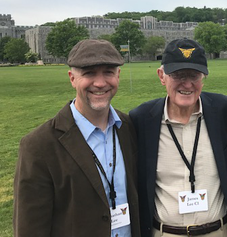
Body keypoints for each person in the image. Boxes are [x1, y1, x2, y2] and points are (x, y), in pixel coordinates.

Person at [13, 39, 140, 237]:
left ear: (118, 75)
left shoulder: (129, 128)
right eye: (89, 73)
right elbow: (30, 227)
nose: (100, 83)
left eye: (108, 72)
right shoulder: (38, 145)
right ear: (72, 78)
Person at [129, 38, 227, 237]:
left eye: (194, 75)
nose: (187, 84)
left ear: (203, 78)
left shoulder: (225, 110)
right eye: (178, 75)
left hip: (220, 231)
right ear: (161, 76)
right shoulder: (141, 119)